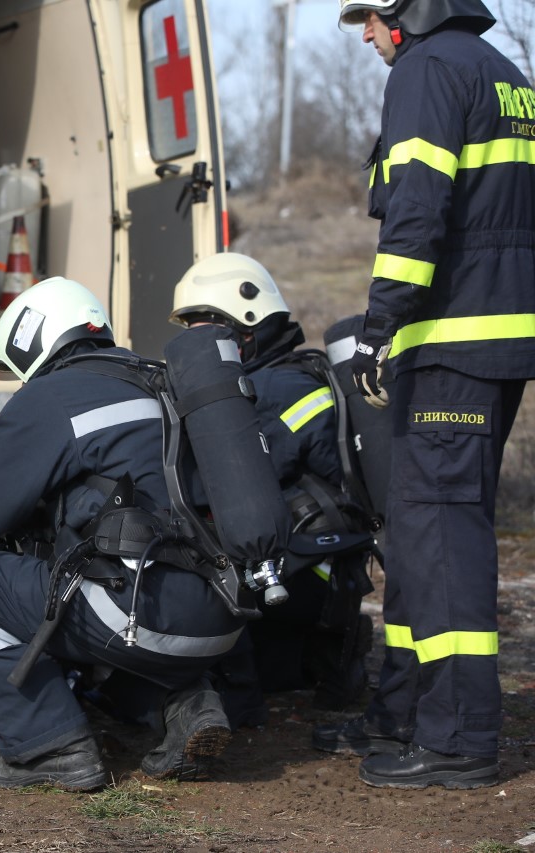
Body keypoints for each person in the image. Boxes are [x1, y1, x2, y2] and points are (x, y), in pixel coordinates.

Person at [0, 276, 249, 790]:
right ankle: (186, 704)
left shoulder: (57, 393)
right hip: (223, 618)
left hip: (136, 613)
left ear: (35, 342)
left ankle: (50, 748)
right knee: (98, 582)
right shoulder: (162, 381)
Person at [314, 0, 535, 790]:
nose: (366, 36)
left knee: (440, 538)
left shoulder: (426, 71)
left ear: (406, 12)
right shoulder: (505, 75)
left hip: (450, 341)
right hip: (492, 338)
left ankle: (458, 740)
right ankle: (403, 711)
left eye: (369, 18)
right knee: (415, 529)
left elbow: (417, 208)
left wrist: (380, 324)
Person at [170, 253, 375, 722]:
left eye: (211, 334)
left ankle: (242, 699)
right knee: (279, 667)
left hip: (303, 574)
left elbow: (209, 488)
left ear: (248, 330)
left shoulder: (278, 390)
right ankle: (319, 656)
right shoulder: (281, 376)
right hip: (316, 565)